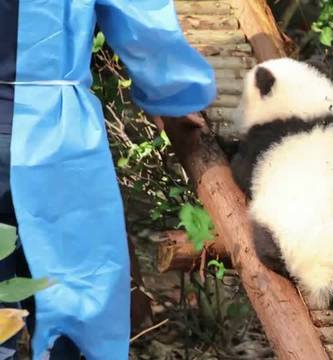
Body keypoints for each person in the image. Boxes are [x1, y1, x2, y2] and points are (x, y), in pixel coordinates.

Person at [0, 1, 216, 359]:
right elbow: (144, 26)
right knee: (74, 302)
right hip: (56, 138)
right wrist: (179, 92)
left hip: (50, 134)